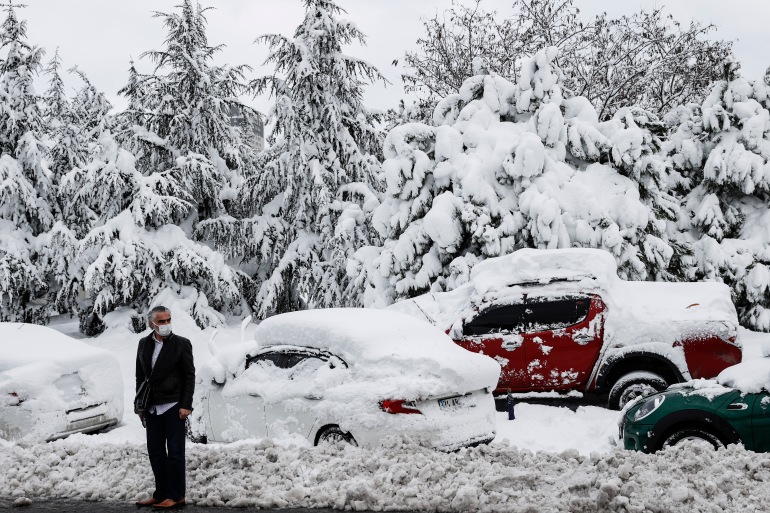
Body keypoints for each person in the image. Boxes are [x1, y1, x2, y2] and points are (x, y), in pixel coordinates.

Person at [134, 306, 195, 509]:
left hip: (173, 404)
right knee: (156, 452)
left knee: (175, 453)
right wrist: (141, 405)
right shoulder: (143, 344)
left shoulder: (181, 344)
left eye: (168, 320)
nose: (166, 324)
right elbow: (140, 377)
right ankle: (161, 494)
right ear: (152, 323)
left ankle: (176, 496)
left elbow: (189, 376)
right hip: (152, 406)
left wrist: (186, 405)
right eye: (161, 321)